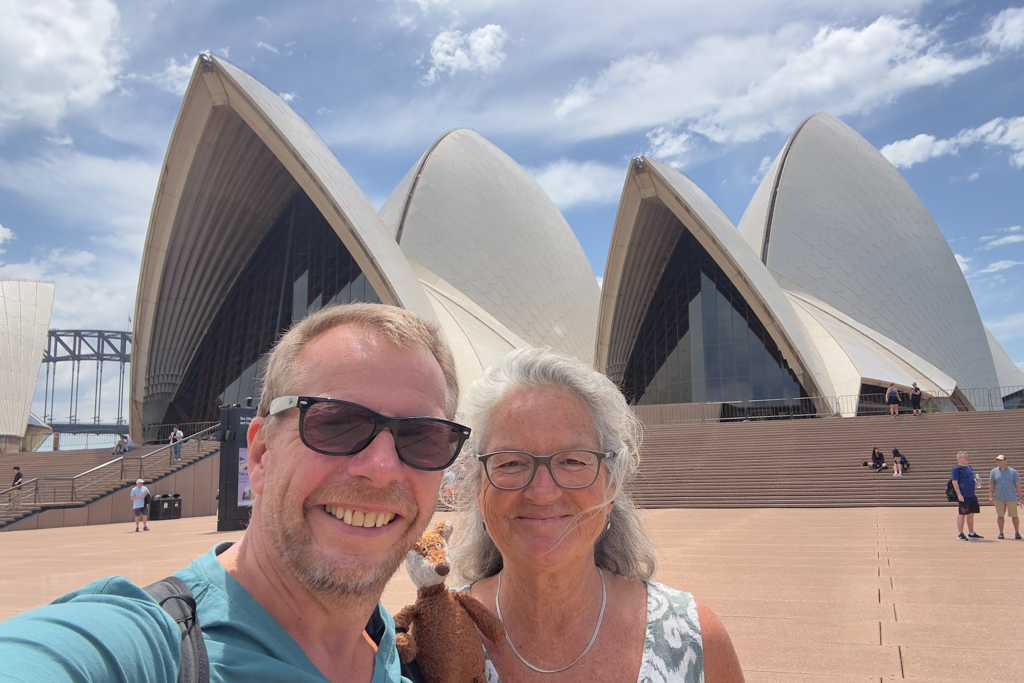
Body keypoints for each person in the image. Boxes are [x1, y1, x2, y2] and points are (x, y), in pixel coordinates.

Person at [0, 303, 464, 683]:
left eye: (422, 437)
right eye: (336, 423)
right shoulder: (153, 651)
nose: (382, 469)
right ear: (260, 454)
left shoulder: (401, 650)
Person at [450, 347, 744, 682]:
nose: (542, 492)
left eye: (573, 461)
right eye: (511, 462)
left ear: (612, 484)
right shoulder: (434, 642)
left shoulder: (696, 641)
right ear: (478, 485)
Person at [988, 454, 1022, 540]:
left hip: (1011, 496)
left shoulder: (1013, 472)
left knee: (1014, 515)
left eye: (1000, 460)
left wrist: (1020, 497)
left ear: (1005, 461)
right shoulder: (994, 472)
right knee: (1000, 516)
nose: (999, 462)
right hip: (999, 497)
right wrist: (990, 496)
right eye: (997, 460)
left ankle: (1017, 532)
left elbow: (1018, 485)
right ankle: (1001, 532)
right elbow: (992, 485)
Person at [951, 451, 983, 541]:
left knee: (971, 513)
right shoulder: (956, 469)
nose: (968, 459)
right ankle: (960, 533)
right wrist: (959, 494)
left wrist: (977, 483)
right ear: (960, 458)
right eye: (966, 457)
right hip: (963, 494)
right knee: (962, 513)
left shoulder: (969, 467)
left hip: (971, 494)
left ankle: (971, 533)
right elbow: (955, 482)